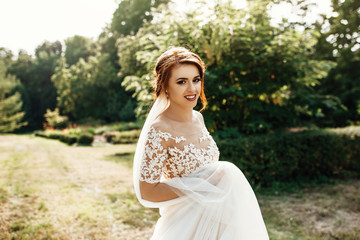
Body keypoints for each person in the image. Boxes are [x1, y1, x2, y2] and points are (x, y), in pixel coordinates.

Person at [133, 47, 269, 239]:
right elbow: (147, 192)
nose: (192, 89)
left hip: (219, 219)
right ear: (165, 85)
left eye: (196, 80)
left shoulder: (198, 118)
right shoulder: (159, 130)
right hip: (185, 226)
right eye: (181, 82)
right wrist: (203, 183)